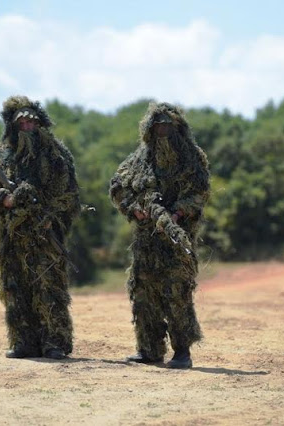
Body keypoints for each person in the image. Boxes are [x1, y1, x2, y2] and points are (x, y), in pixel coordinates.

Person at [0, 95, 79, 360]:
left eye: (31, 122)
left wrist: (50, 216)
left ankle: (54, 341)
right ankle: (23, 341)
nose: (26, 126)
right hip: (11, 236)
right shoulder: (2, 154)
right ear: (12, 125)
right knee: (14, 288)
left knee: (49, 287)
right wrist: (5, 198)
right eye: (21, 122)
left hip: (44, 233)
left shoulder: (55, 154)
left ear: (40, 123)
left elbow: (69, 194)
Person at [109, 102, 210, 369]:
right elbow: (118, 186)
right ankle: (149, 349)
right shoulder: (140, 159)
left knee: (177, 293)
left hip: (177, 238)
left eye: (168, 126)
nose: (163, 131)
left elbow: (200, 192)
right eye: (158, 127)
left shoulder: (192, 157)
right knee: (143, 291)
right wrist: (135, 210)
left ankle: (182, 352)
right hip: (146, 239)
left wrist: (177, 213)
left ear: (178, 129)